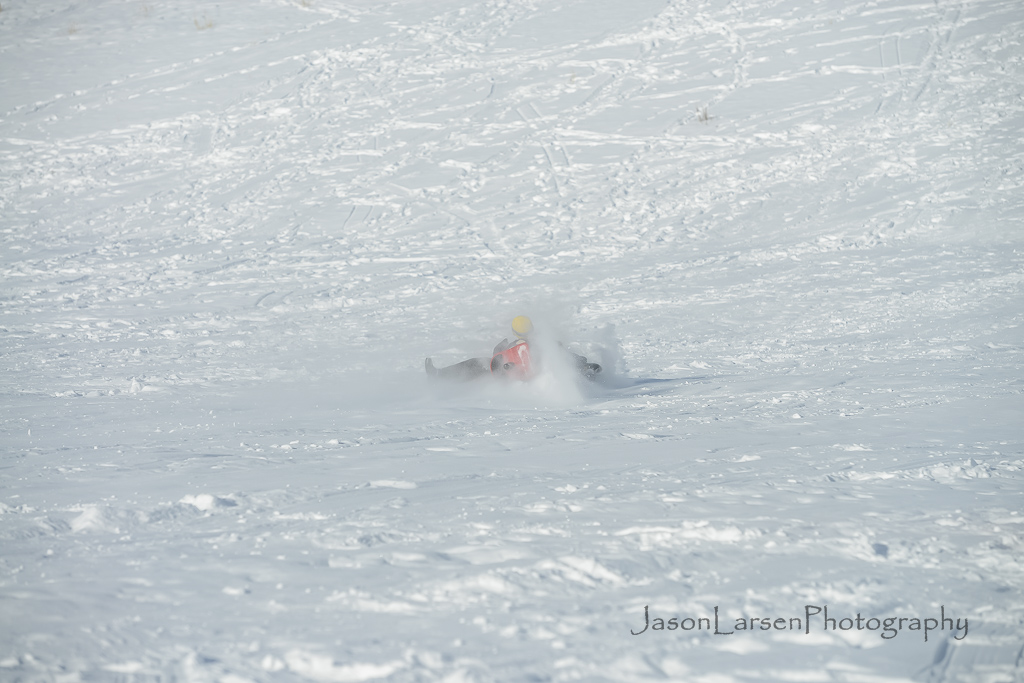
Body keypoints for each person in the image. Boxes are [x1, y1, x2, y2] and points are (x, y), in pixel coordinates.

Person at [425, 315, 600, 381]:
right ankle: (586, 370)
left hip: (516, 378)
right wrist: (583, 363)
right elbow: (563, 354)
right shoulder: (545, 342)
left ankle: (441, 375)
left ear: (514, 332)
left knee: (477, 364)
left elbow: (497, 360)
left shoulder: (512, 346)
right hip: (526, 375)